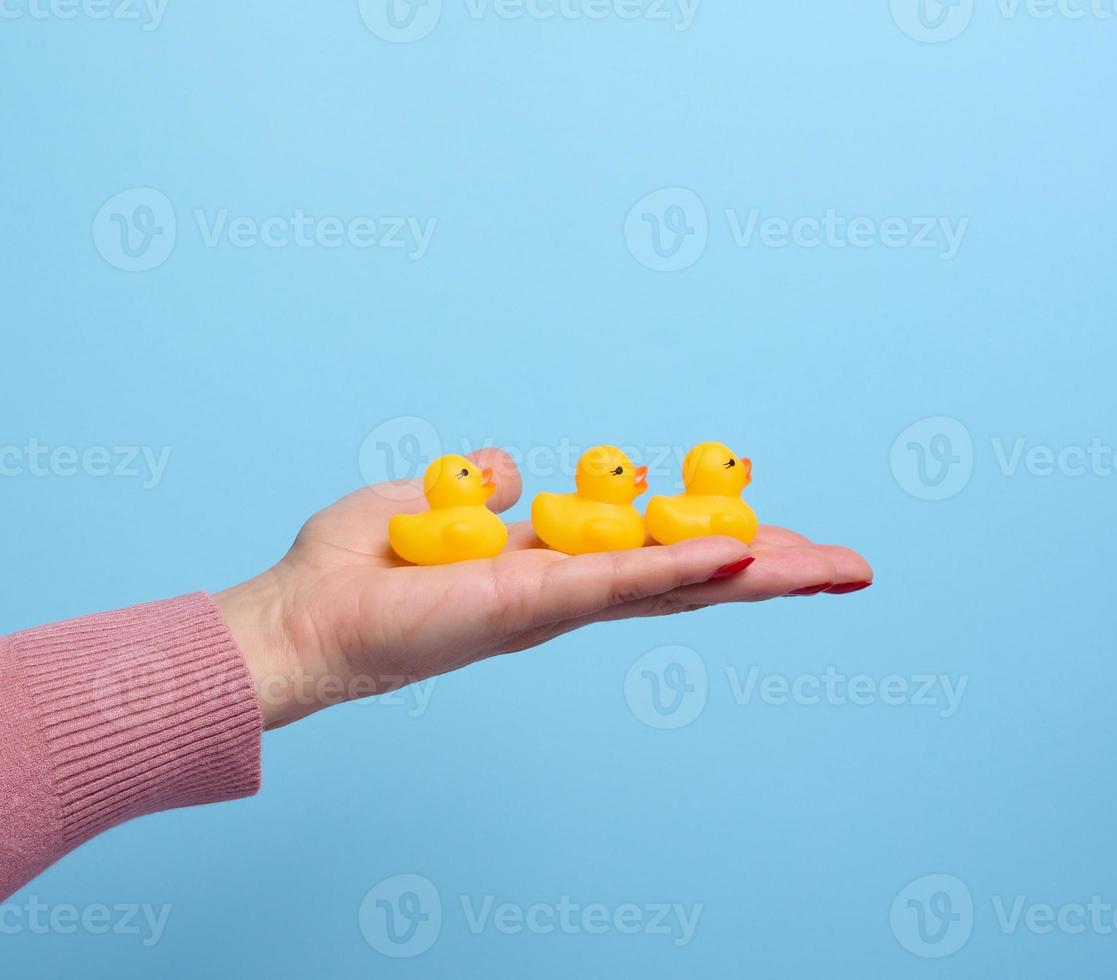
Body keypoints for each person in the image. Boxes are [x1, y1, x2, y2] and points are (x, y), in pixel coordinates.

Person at [0, 449, 871, 899]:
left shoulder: (665, 513)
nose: (637, 482)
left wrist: (283, 631)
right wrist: (291, 628)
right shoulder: (522, 522)